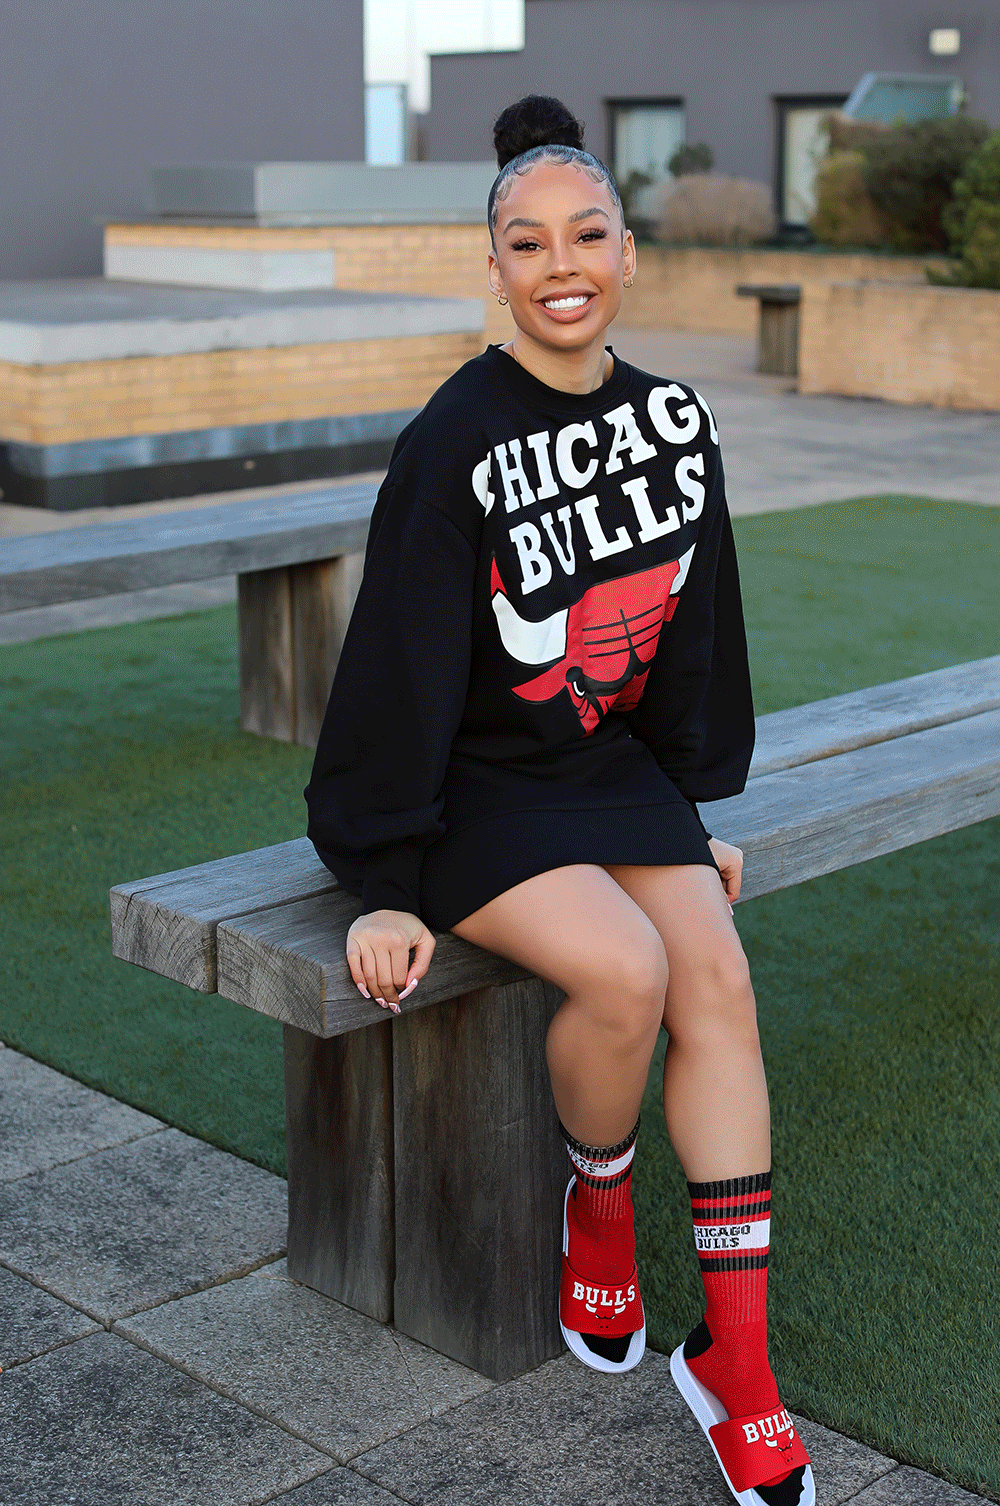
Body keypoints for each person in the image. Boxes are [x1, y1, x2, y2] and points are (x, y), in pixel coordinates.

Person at [305, 95, 814, 1506]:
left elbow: (694, 628)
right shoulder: (455, 436)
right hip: (474, 782)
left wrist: (691, 809)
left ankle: (736, 1360)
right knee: (628, 970)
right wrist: (385, 879)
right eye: (526, 243)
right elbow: (398, 665)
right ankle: (601, 1199)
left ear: (628, 253)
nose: (561, 264)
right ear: (495, 269)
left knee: (718, 973)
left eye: (586, 234)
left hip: (609, 771)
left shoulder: (674, 421)